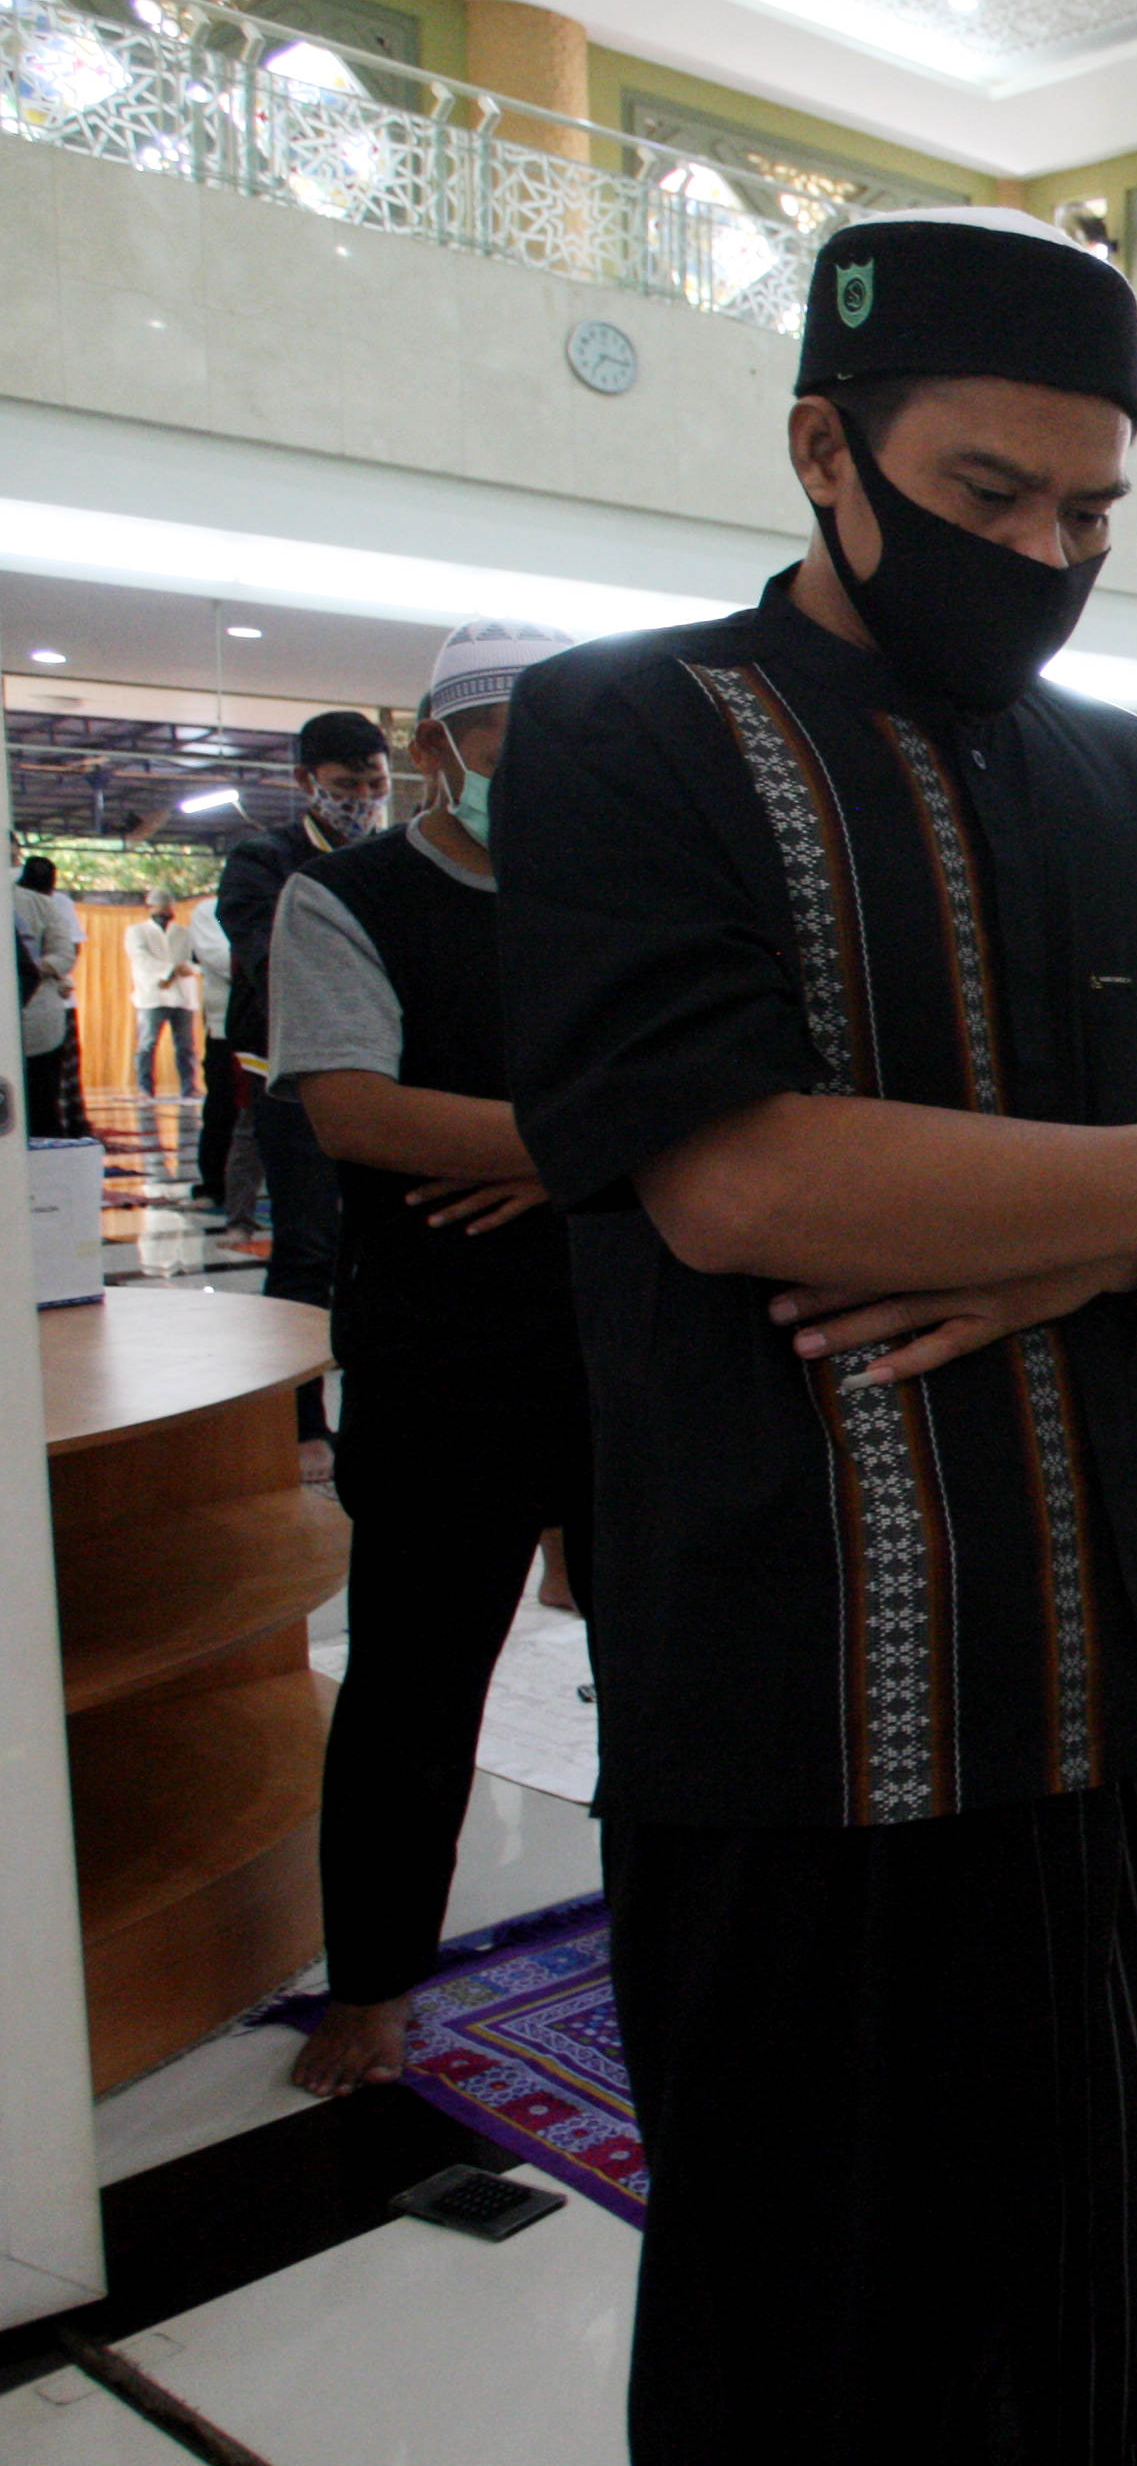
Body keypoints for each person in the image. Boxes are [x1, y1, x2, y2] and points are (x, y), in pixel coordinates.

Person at [496, 206, 1137, 2460]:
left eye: (1087, 514)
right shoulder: (621, 732)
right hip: (811, 1703)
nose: (1046, 553)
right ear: (821, 449)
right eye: (989, 498)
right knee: (829, 2323)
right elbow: (737, 1176)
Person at [272, 618, 587, 2101]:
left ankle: (692, 1939)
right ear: (430, 750)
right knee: (413, 1685)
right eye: (507, 757)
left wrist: (562, 1159)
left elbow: (725, 1099)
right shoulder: (349, 900)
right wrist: (591, 1145)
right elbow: (350, 1110)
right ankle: (376, 1984)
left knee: (668, 1678)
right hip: (436, 1357)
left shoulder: (622, 901)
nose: (535, 787)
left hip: (618, 1348)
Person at [225, 711, 393, 1469]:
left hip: (388, 1079)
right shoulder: (266, 861)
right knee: (306, 1245)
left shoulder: (395, 857)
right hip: (292, 1080)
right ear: (306, 782)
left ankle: (377, 1402)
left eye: (373, 782)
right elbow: (267, 959)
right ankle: (295, 1416)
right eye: (345, 784)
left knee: (382, 1246)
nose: (361, 797)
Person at [15, 855, 81, 1141]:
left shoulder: (43, 905)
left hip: (38, 1021)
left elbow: (65, 954)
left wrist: (30, 968)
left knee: (40, 1104)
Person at [188, 889, 245, 1214]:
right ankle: (213, 1185)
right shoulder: (209, 911)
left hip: (275, 1027)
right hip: (227, 1027)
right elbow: (221, 960)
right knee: (223, 1107)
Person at [124, 888, 201, 1100]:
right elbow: (141, 959)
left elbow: (195, 961)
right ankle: (144, 1089)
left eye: (168, 905)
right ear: (149, 908)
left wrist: (182, 971)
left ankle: (189, 1088)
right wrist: (171, 970)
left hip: (183, 996)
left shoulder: (184, 932)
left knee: (186, 1046)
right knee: (147, 1045)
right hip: (152, 995)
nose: (165, 910)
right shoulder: (137, 932)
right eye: (160, 905)